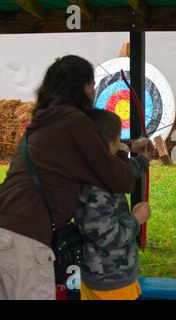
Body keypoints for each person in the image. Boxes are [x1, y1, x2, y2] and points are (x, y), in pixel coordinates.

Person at [0, 55, 151, 300]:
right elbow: (119, 177)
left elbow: (95, 149)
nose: (94, 91)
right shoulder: (75, 121)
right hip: (27, 240)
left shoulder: (45, 120)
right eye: (92, 85)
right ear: (81, 88)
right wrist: (141, 160)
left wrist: (128, 146)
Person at [75, 109, 151, 300]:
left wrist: (137, 154)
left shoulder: (86, 168)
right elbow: (106, 235)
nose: (121, 145)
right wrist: (136, 219)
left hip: (95, 277)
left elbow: (119, 166)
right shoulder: (99, 186)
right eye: (119, 140)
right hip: (111, 280)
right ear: (109, 146)